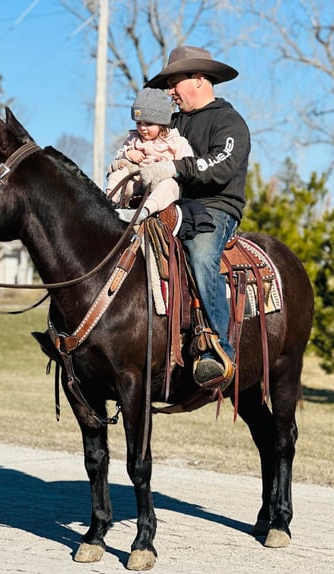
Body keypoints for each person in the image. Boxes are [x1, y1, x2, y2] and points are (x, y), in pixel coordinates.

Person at [139, 46, 251, 386]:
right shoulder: (172, 123)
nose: (170, 92)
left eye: (174, 83)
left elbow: (221, 164)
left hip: (215, 208)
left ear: (199, 79)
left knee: (202, 255)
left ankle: (218, 349)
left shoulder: (229, 122)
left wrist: (173, 166)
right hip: (171, 203)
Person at [106, 88, 193, 223]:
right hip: (137, 183)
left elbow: (187, 163)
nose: (143, 128)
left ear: (162, 123)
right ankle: (108, 200)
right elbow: (119, 156)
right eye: (139, 123)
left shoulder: (175, 141)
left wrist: (166, 165)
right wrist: (128, 154)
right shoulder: (133, 139)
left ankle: (144, 211)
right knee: (119, 170)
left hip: (161, 187)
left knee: (170, 183)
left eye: (149, 123)